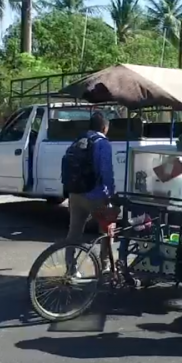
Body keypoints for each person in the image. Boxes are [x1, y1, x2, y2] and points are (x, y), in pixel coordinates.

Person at [62, 112, 114, 274]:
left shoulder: (78, 140)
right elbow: (106, 173)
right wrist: (111, 196)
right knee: (107, 230)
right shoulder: (102, 143)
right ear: (105, 128)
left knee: (74, 232)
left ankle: (71, 269)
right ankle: (104, 267)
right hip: (95, 195)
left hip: (75, 194)